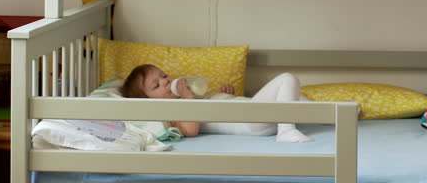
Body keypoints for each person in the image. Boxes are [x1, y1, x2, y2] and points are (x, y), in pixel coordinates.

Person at [119, 64, 312, 143]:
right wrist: (187, 98)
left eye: (164, 75)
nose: (166, 81)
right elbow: (192, 129)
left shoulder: (188, 98)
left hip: (249, 111)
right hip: (249, 122)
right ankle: (286, 130)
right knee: (287, 79)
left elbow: (213, 109)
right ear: (148, 102)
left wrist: (225, 96)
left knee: (298, 97)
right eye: (156, 85)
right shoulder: (173, 113)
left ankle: (333, 117)